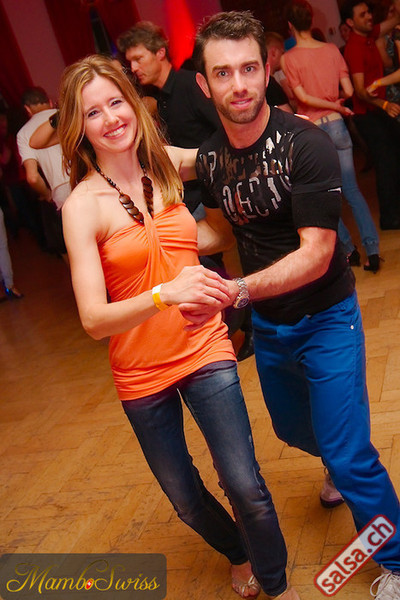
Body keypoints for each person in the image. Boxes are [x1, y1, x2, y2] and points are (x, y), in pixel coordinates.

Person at [56, 54, 298, 600]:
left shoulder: (166, 163)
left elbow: (232, 148)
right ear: (79, 127)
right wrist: (165, 291)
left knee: (244, 483)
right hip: (140, 371)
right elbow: (93, 320)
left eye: (116, 102)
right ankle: (237, 551)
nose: (111, 118)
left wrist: (290, 129)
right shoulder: (82, 207)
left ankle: (280, 586)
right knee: (185, 498)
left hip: (203, 343)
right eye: (93, 112)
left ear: (134, 104)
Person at [187, 11, 400, 600]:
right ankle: (334, 455)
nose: (238, 85)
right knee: (291, 429)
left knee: (350, 455)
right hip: (272, 326)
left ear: (268, 70)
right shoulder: (211, 160)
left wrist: (236, 291)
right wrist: (157, 242)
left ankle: (397, 559)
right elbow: (221, 231)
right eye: (223, 73)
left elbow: (315, 254)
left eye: (248, 68)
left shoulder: (305, 143)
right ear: (204, 84)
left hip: (327, 317)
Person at [117, 21, 254, 361]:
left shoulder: (190, 86)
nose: (134, 67)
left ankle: (241, 321)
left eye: (138, 58)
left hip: (217, 191)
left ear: (160, 53)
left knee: (196, 258)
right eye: (129, 61)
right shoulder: (160, 99)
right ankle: (229, 324)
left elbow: (226, 128)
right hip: (191, 196)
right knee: (197, 264)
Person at [281, 0, 380, 272]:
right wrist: (335, 104)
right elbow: (348, 90)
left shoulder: (288, 59)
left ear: (290, 26)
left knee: (325, 195)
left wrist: (324, 104)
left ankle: (349, 250)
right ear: (311, 21)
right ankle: (372, 251)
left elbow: (302, 97)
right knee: (352, 190)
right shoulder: (331, 49)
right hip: (337, 125)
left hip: (313, 133)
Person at [342, 0, 400, 230]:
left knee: (393, 157)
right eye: (362, 14)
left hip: (378, 110)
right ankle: (389, 218)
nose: (369, 17)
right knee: (386, 163)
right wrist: (383, 103)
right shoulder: (354, 47)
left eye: (368, 12)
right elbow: (359, 90)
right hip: (367, 114)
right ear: (350, 21)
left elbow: (395, 20)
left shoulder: (370, 34)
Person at [17, 87, 70, 259]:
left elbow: (32, 178)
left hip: (62, 195)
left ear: (27, 109)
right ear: (49, 101)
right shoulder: (67, 114)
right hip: (91, 181)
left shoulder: (24, 134)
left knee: (73, 251)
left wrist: (47, 194)